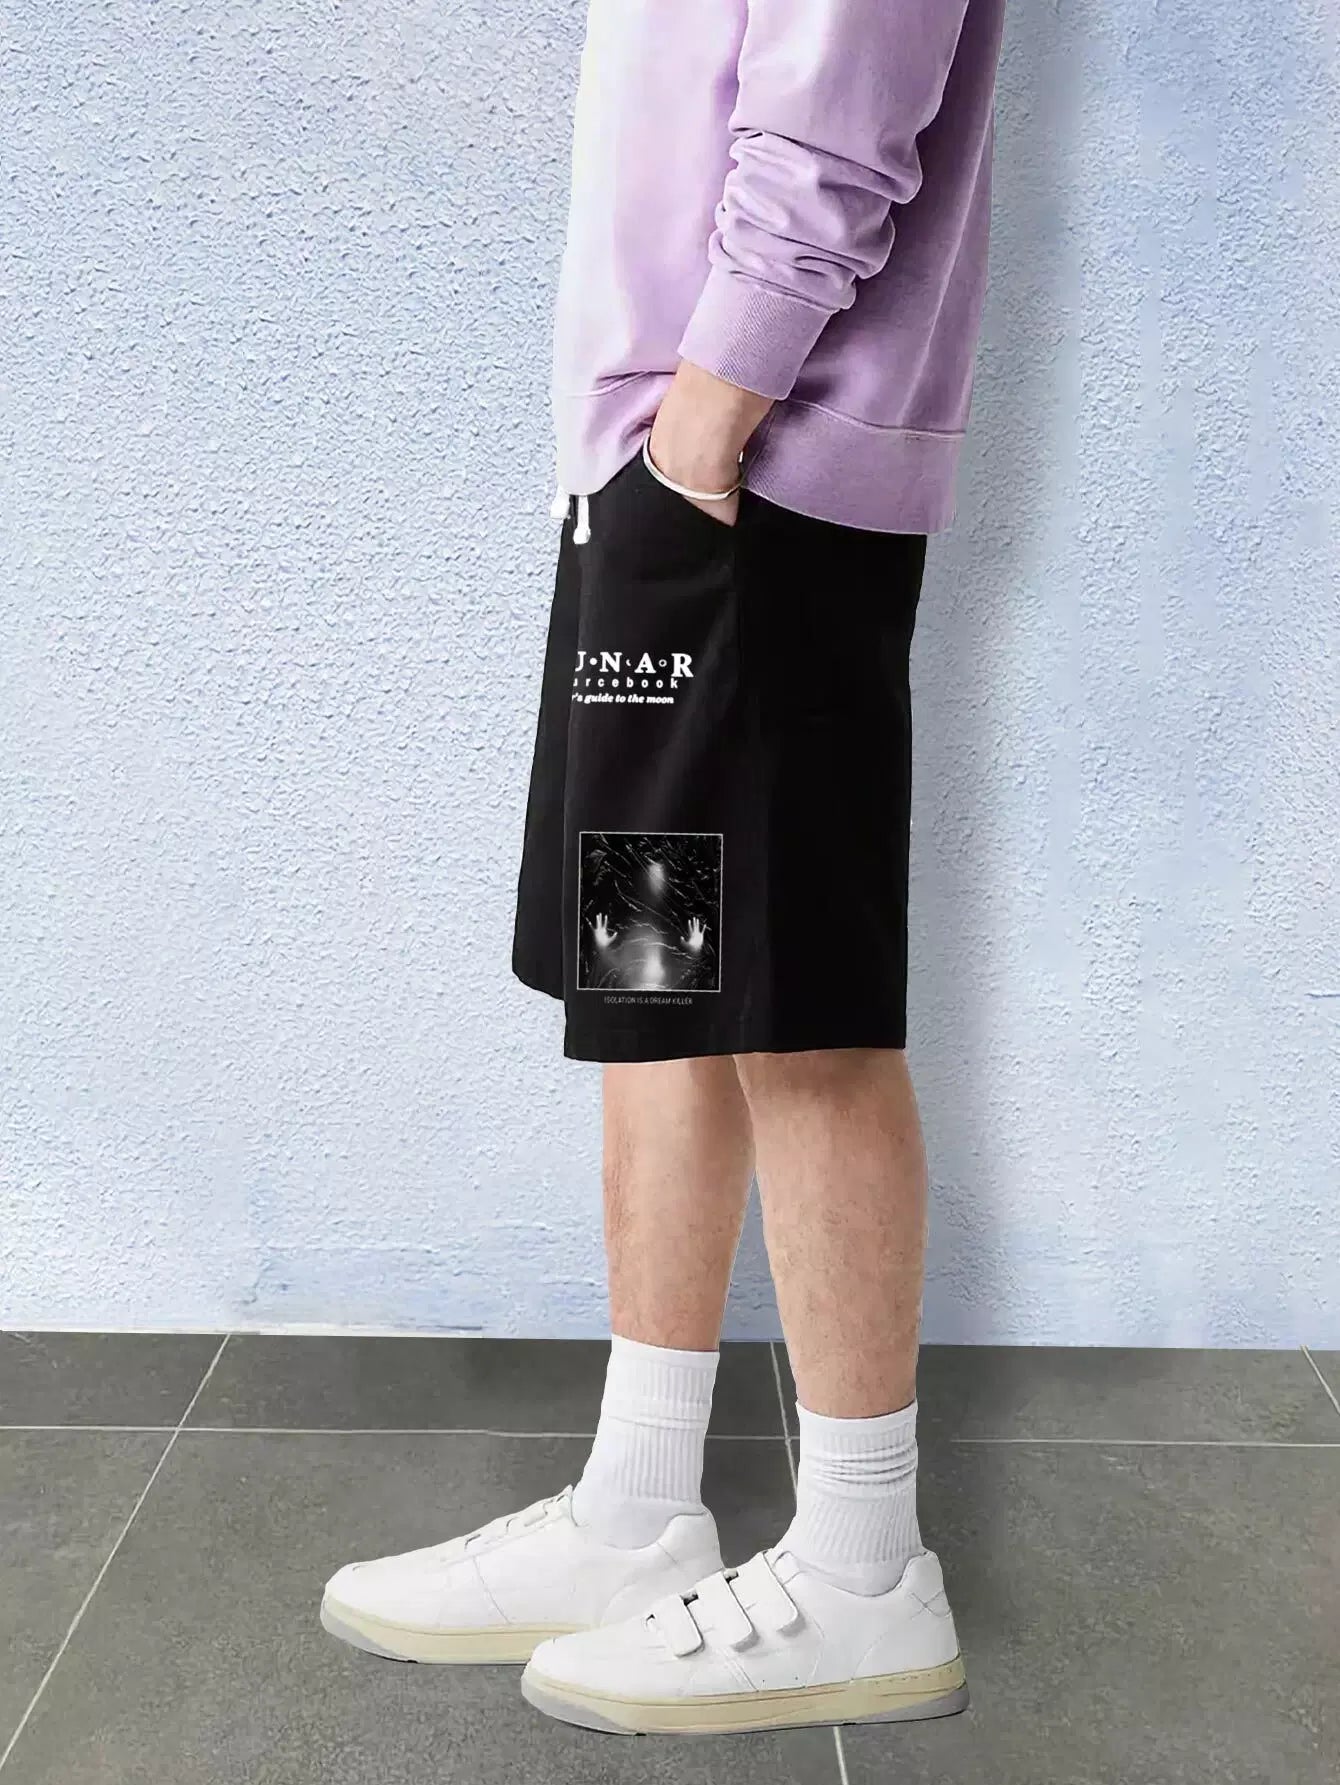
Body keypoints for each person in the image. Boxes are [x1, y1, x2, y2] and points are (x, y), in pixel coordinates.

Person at [322, 0, 1007, 1738]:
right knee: (662, 980)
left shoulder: (731, 449)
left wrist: (709, 422)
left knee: (798, 1011)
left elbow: (842, 105)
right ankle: (641, 1502)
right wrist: (653, 459)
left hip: (758, 475)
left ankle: (865, 1565)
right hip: (660, 481)